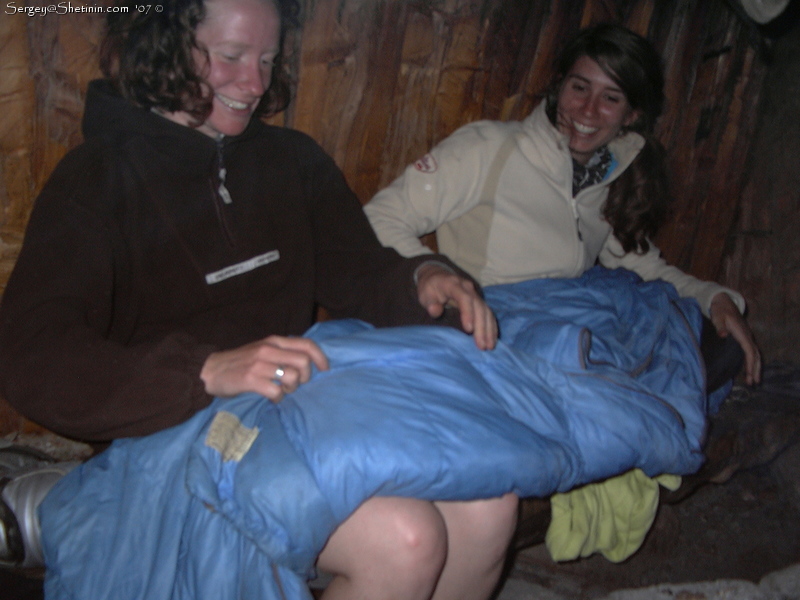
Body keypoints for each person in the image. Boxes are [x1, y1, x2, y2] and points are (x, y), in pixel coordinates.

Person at [0, 0, 519, 597]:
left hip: (293, 410)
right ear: (164, 43)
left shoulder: (292, 161)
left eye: (268, 59)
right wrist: (203, 370)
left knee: (491, 505)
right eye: (230, 56)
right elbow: (31, 352)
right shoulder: (97, 178)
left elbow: (358, 269)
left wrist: (423, 278)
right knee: (406, 538)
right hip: (175, 435)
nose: (254, 83)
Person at [364, 23, 762, 389]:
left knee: (714, 343)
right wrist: (435, 272)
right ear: (559, 88)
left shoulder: (606, 177)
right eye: (579, 88)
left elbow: (642, 264)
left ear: (632, 115)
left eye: (611, 98)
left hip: (567, 316)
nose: (588, 111)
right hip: (497, 322)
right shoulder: (488, 147)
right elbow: (379, 218)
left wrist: (715, 298)